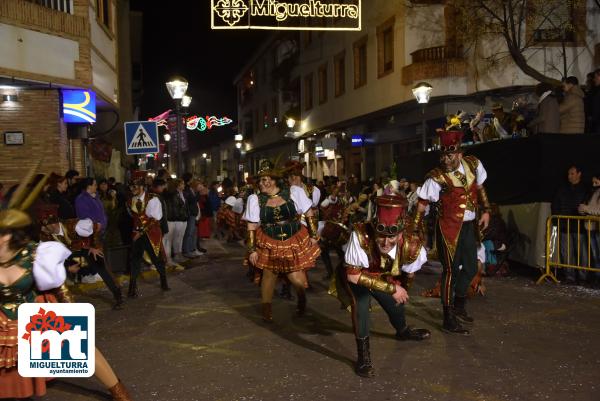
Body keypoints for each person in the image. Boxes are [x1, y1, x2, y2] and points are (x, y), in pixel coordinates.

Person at [0, 176, 133, 400]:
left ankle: (119, 391)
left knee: (83, 347)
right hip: (4, 322)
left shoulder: (35, 254)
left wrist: (70, 322)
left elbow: (59, 288)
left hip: (32, 311)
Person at [341, 194, 430, 377]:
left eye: (392, 237)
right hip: (358, 276)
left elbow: (409, 275)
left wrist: (401, 293)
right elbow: (353, 276)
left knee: (396, 307)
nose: (385, 242)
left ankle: (402, 331)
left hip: (384, 277)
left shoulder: (411, 244)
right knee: (362, 308)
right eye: (381, 235)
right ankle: (363, 357)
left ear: (401, 232)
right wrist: (392, 289)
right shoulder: (360, 235)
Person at [415, 129, 491, 335]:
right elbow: (422, 204)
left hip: (469, 226)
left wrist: (486, 211)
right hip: (447, 227)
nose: (445, 160)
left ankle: (459, 305)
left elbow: (480, 187)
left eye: (449, 156)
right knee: (450, 271)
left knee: (470, 268)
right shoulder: (436, 177)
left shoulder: (473, 164)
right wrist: (415, 230)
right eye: (442, 155)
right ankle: (448, 318)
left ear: (459, 153)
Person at [242, 161, 321, 323]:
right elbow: (251, 225)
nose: (262, 183)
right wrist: (252, 250)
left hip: (293, 237)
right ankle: (266, 309)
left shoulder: (294, 192)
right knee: (269, 274)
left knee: (296, 276)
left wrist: (313, 235)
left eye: (265, 180)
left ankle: (301, 300)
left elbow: (309, 212)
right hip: (269, 239)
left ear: (275, 180)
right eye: (260, 180)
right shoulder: (254, 199)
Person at [38, 205, 124, 310]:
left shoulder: (74, 225)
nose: (43, 229)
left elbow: (97, 227)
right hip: (69, 253)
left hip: (87, 249)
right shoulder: (46, 235)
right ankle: (59, 302)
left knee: (102, 269)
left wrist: (94, 247)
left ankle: (118, 295)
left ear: (53, 224)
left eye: (45, 226)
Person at [127, 179, 170, 297]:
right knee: (135, 260)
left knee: (156, 259)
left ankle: (163, 280)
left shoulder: (153, 199)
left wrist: (140, 232)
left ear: (142, 186)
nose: (132, 189)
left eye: (134, 186)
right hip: (136, 234)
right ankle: (132, 288)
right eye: (131, 187)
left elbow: (155, 219)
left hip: (151, 233)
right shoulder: (131, 200)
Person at [552, 165, 589, 284]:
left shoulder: (585, 189)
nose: (569, 176)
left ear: (579, 174)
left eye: (572, 174)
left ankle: (583, 276)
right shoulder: (562, 189)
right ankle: (570, 276)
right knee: (566, 252)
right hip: (564, 225)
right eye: (569, 174)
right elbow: (555, 205)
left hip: (579, 226)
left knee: (582, 252)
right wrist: (556, 221)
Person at [578, 171, 600, 288]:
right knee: (595, 255)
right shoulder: (593, 192)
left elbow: (598, 210)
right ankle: (597, 278)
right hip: (591, 227)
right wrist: (582, 210)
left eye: (595, 179)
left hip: (597, 228)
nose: (593, 182)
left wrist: (586, 209)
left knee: (598, 255)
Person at [163, 179, 189, 265]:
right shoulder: (171, 195)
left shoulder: (174, 194)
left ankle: (171, 257)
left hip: (174, 219)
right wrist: (180, 217)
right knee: (168, 240)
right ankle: (168, 259)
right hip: (172, 219)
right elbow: (175, 208)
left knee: (172, 240)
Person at [181, 173, 203, 257]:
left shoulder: (190, 189)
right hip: (190, 213)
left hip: (193, 213)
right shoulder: (186, 189)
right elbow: (190, 201)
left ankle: (191, 249)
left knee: (193, 232)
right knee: (189, 233)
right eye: (192, 178)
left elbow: (195, 199)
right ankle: (187, 250)